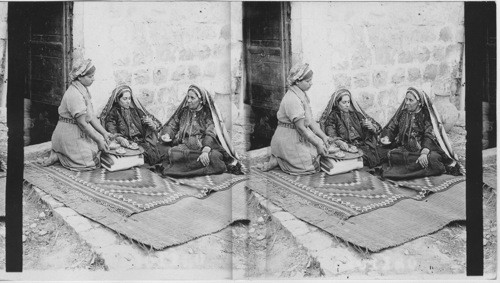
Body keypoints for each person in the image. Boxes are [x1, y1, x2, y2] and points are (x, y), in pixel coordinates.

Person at [259, 63, 331, 175]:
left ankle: (282, 157)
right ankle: (280, 159)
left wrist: (323, 137)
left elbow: (310, 120)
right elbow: (301, 128)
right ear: (297, 81)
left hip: (298, 135)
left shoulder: (302, 94)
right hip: (288, 138)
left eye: (311, 80)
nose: (311, 83)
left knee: (320, 152)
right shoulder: (292, 99)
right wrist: (317, 143)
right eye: (308, 81)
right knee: (309, 166)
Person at [40, 59, 111, 170]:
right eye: (90, 77)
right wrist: (98, 140)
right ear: (80, 77)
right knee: (90, 164)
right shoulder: (74, 94)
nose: (93, 79)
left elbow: (91, 116)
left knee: (99, 151)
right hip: (68, 133)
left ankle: (62, 153)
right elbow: (82, 124)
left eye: (93, 76)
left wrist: (104, 133)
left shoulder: (83, 90)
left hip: (77, 132)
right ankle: (59, 155)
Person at [159, 84, 241, 177]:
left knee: (214, 157)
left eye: (192, 98)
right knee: (168, 151)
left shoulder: (208, 114)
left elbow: (211, 133)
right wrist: (167, 134)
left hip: (203, 148)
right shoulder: (184, 111)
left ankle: (178, 167)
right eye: (188, 97)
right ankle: (191, 166)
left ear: (201, 100)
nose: (188, 100)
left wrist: (205, 151)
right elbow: (172, 124)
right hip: (185, 147)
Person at [380, 87, 461, 179]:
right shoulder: (403, 113)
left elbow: (429, 135)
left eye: (411, 100)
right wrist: (386, 137)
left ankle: (400, 169)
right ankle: (411, 168)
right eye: (406, 99)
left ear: (419, 102)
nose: (407, 103)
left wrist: (424, 153)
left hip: (423, 150)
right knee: (387, 153)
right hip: (404, 150)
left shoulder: (425, 115)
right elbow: (391, 127)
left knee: (432, 159)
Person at [100, 85, 169, 165]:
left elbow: (154, 124)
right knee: (140, 156)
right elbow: (111, 128)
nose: (128, 101)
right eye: (125, 99)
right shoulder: (113, 113)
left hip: (140, 142)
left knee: (157, 153)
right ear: (118, 100)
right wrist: (119, 138)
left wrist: (151, 124)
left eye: (129, 98)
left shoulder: (135, 111)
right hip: (126, 143)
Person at [319, 89, 388, 168]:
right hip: (347, 147)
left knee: (385, 153)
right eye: (344, 102)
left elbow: (377, 128)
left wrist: (371, 127)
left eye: (348, 102)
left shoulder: (355, 114)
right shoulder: (332, 117)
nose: (347, 105)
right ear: (337, 103)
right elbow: (331, 134)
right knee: (355, 159)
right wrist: (340, 142)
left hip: (362, 145)